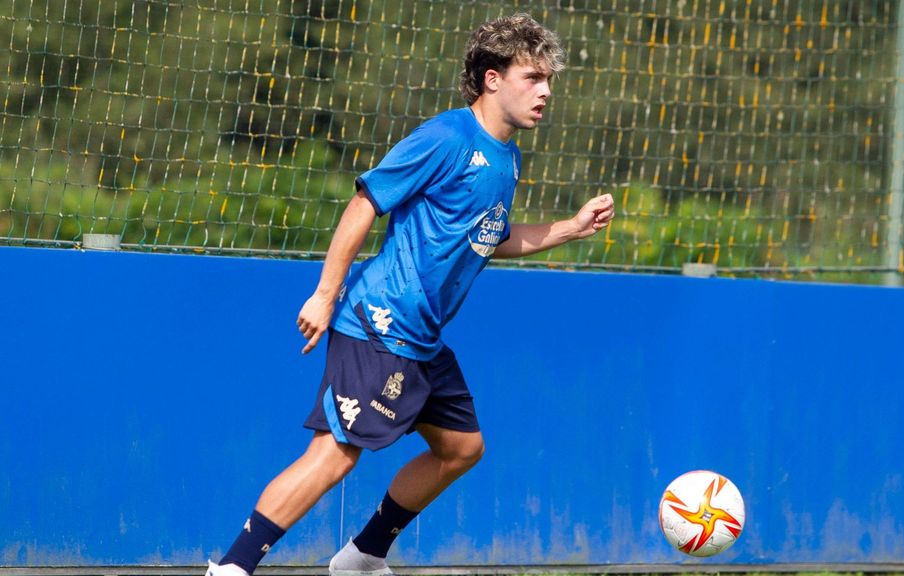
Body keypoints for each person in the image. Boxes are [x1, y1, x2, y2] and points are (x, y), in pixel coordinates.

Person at [206, 13, 615, 576]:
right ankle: (232, 568)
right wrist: (326, 294)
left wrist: (570, 228)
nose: (545, 91)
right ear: (492, 79)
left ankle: (363, 556)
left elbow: (488, 238)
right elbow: (363, 204)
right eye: (532, 77)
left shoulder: (507, 156)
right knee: (334, 455)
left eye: (549, 80)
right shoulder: (446, 138)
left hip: (421, 339)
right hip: (378, 324)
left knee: (461, 449)